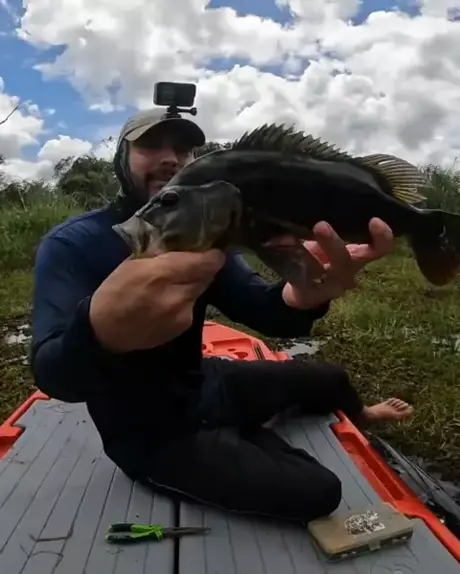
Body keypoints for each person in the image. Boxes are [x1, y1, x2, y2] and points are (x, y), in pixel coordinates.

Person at [30, 108, 413, 525]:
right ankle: (234, 437)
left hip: (206, 383)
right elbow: (52, 373)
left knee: (332, 378)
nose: (170, 158)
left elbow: (262, 309)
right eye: (151, 145)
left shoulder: (204, 231)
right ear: (122, 158)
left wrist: (302, 296)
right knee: (319, 490)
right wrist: (99, 332)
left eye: (183, 148)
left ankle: (360, 416)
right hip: (150, 434)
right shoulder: (72, 244)